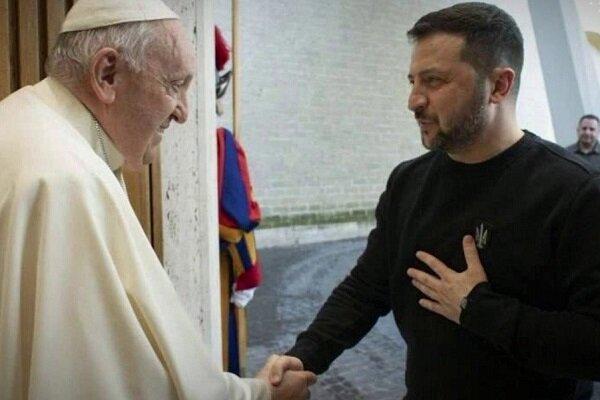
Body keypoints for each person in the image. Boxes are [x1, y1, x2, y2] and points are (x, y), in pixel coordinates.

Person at [280, 3, 600, 399]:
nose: (414, 100)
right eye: (412, 81)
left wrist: (479, 308)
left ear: (498, 86)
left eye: (433, 81)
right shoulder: (408, 182)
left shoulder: (576, 193)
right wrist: (304, 358)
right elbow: (367, 287)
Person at [0, 0, 316, 399]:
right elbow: (110, 383)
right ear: (107, 74)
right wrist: (263, 395)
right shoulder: (67, 180)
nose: (183, 112)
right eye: (174, 85)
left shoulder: (21, 118)